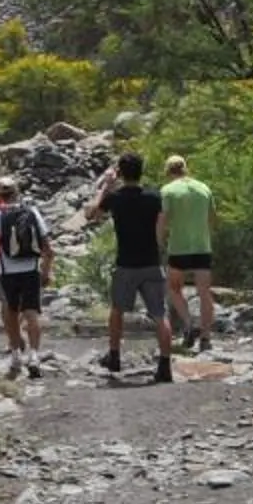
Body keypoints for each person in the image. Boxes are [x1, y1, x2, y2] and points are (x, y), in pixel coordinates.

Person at [88, 151, 173, 382]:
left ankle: (114, 356)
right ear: (141, 170)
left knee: (117, 310)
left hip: (125, 263)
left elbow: (91, 214)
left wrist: (105, 185)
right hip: (151, 262)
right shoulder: (154, 197)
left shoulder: (115, 198)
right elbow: (161, 231)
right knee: (159, 314)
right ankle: (165, 366)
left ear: (121, 173)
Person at [0, 177, 51, 377]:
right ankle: (34, 356)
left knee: (11, 312)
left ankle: (16, 355)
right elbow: (47, 246)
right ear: (17, 192)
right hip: (31, 269)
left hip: (8, 271)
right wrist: (46, 270)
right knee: (32, 314)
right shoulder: (32, 211)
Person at [161, 154, 217, 352]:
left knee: (174, 288)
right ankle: (206, 338)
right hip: (202, 247)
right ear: (186, 168)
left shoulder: (167, 191)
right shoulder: (204, 188)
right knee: (205, 293)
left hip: (178, 248)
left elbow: (163, 220)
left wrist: (159, 242)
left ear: (168, 171)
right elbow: (212, 219)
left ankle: (188, 324)